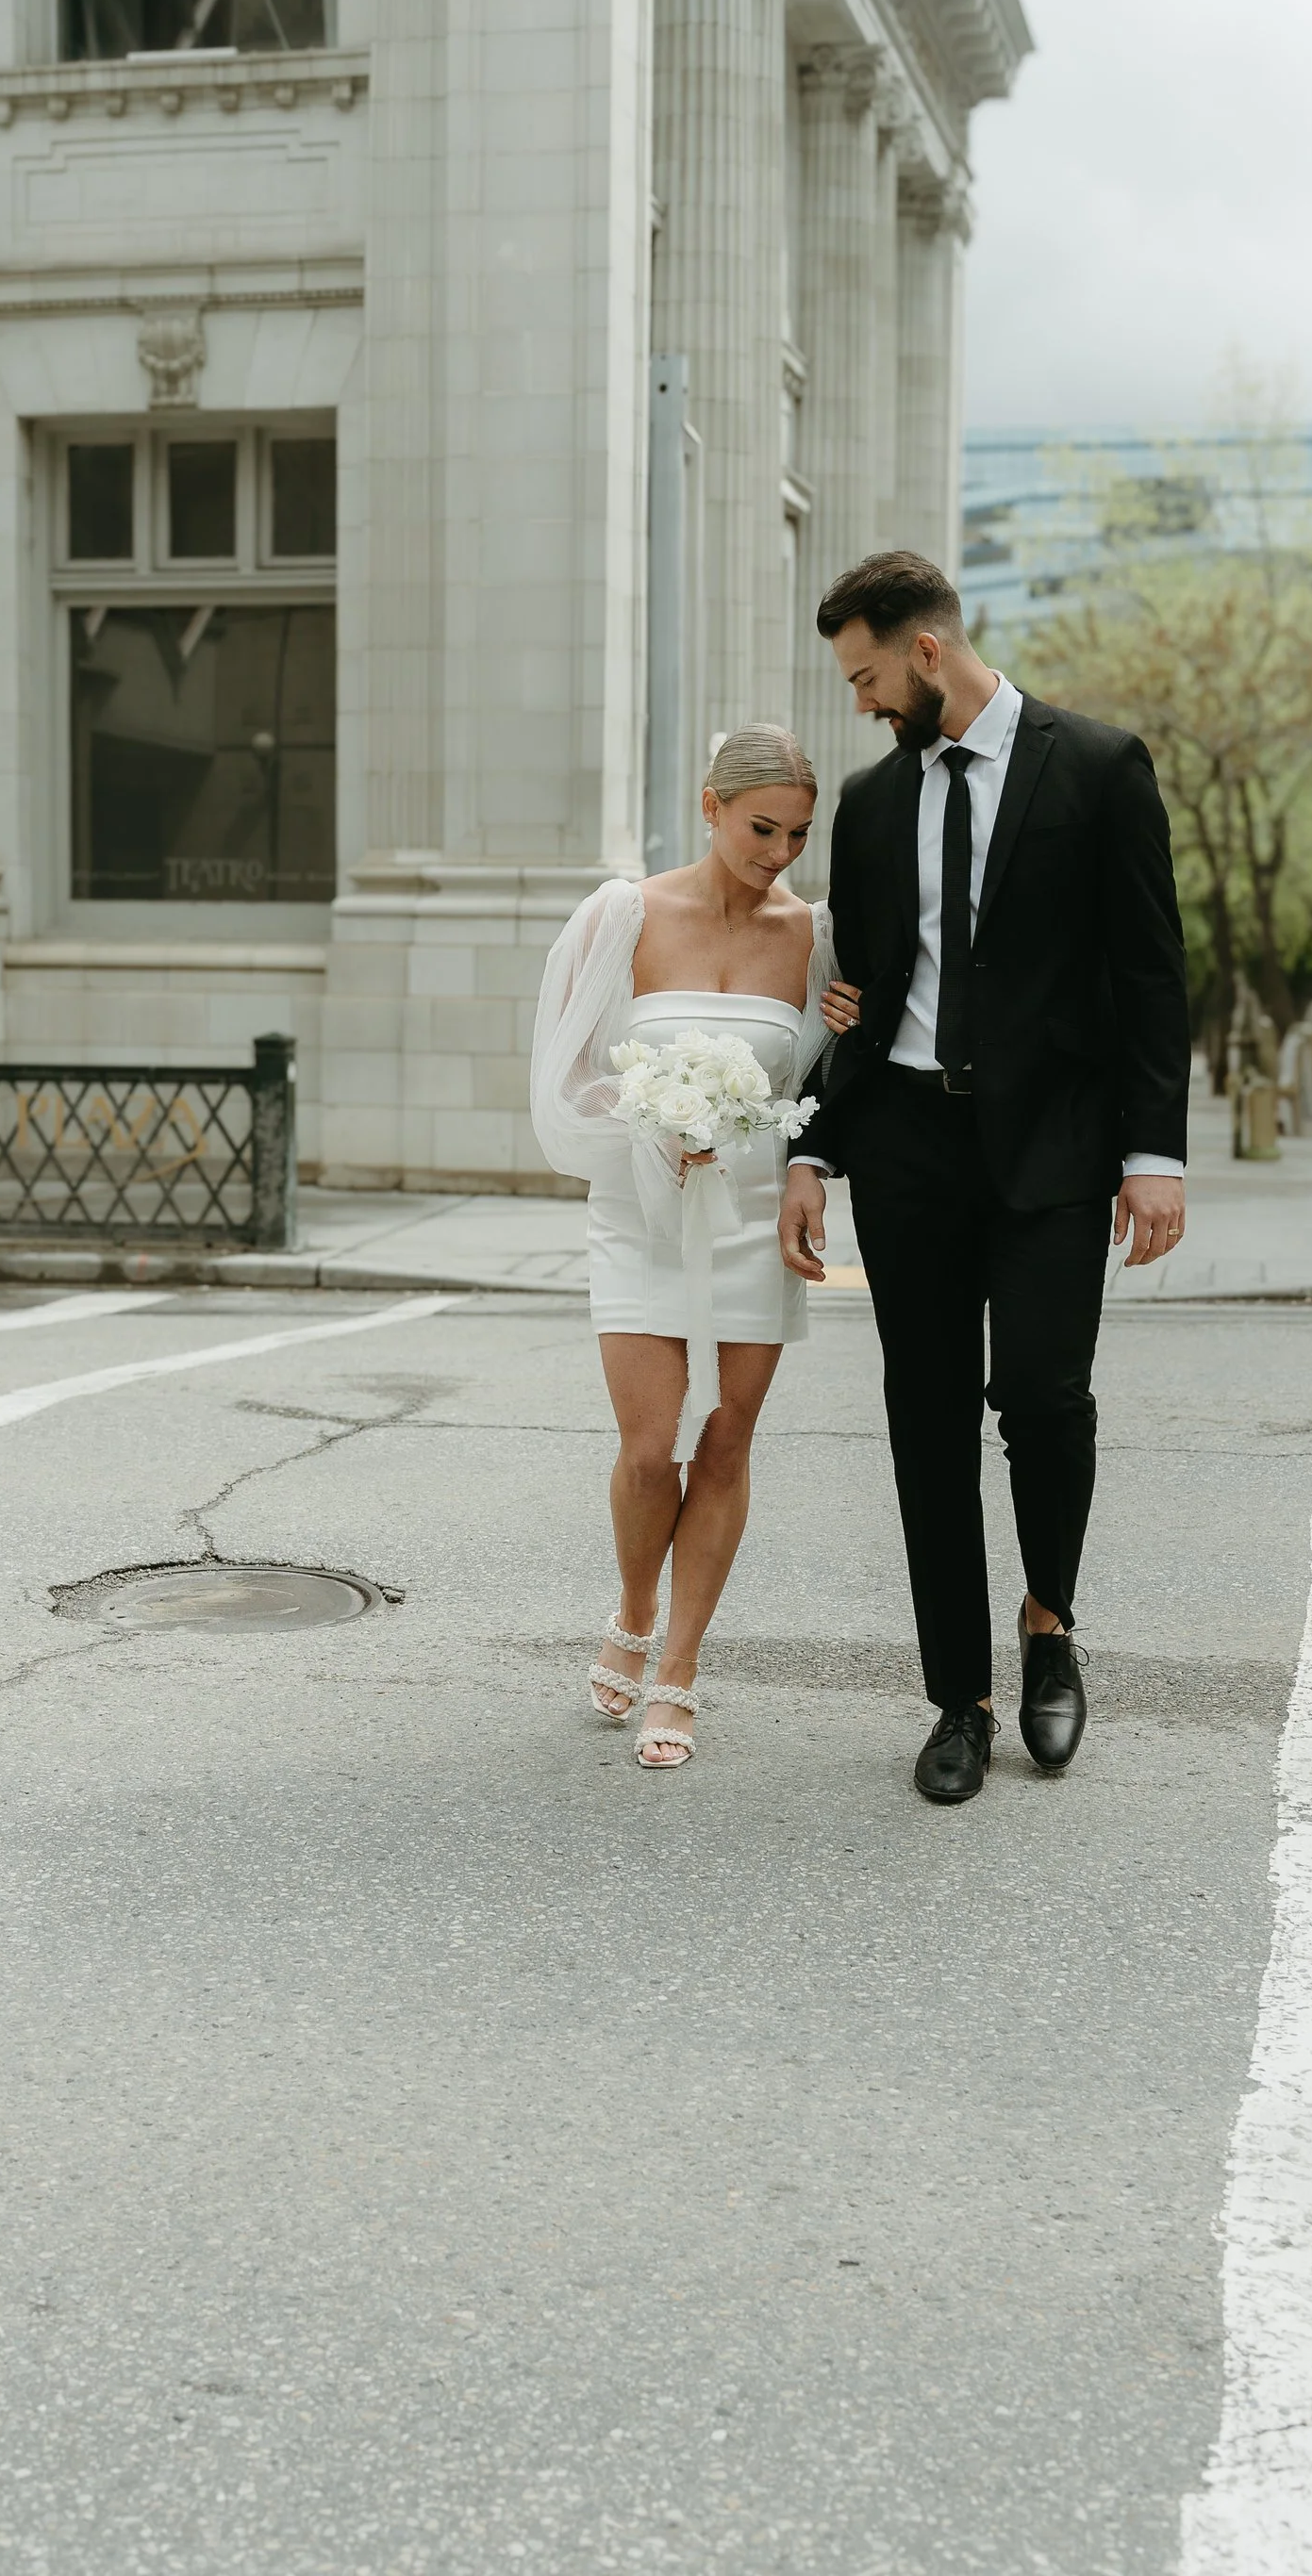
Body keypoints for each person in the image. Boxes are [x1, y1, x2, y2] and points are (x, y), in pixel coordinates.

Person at [778, 552, 1191, 1805]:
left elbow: (1150, 975)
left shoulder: (1101, 767)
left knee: (1047, 1403)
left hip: (1056, 1148)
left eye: (864, 676)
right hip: (906, 1144)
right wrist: (812, 1146)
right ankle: (957, 1693)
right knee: (926, 1419)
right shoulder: (868, 800)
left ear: (925, 653)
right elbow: (856, 993)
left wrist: (1154, 1152)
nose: (859, 702)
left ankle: (1050, 1628)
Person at [530, 725, 864, 1769]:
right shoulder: (622, 913)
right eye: (761, 827)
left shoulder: (817, 936)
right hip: (641, 1204)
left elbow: (814, 1092)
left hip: (753, 1214)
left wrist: (844, 1030)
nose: (777, 851)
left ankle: (678, 1669)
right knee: (647, 1445)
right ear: (710, 803)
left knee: (726, 1439)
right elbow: (567, 1071)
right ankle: (633, 1606)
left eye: (798, 834)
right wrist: (645, 1123)